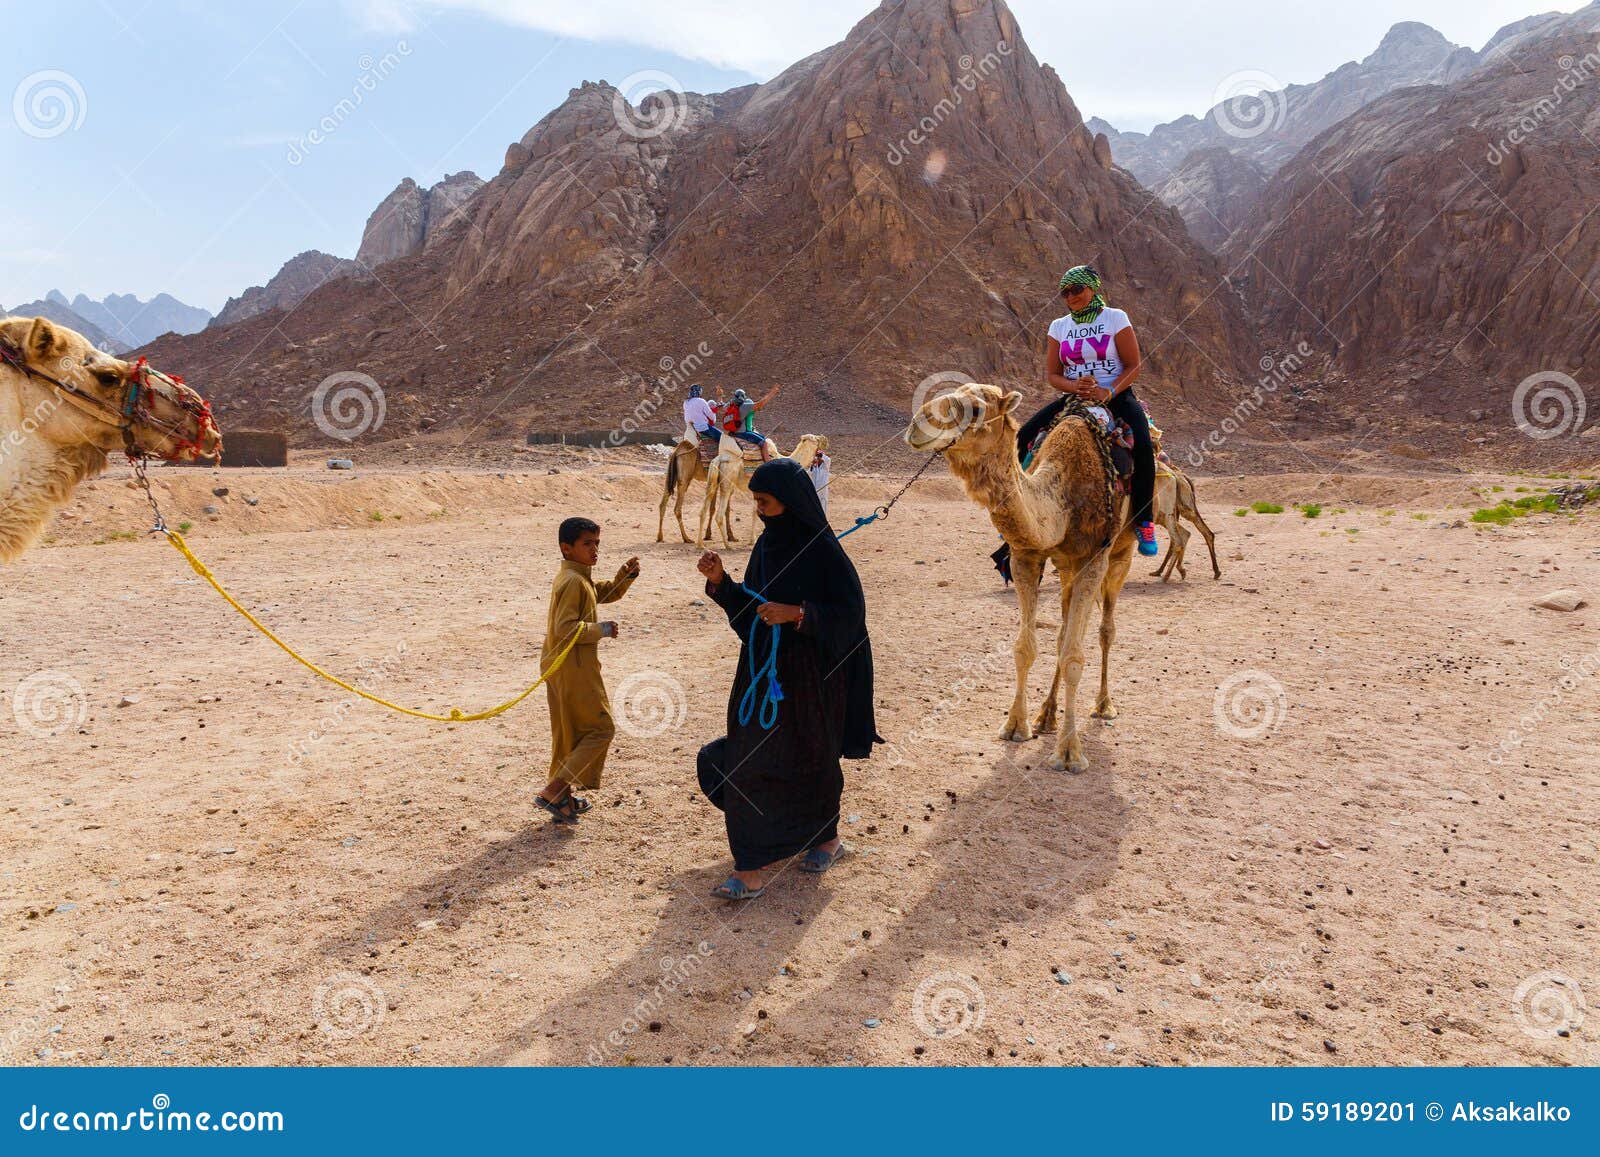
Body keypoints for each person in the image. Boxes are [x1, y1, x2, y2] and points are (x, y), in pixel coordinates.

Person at [695, 459, 880, 900]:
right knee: (748, 761)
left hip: (814, 681)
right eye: (755, 501)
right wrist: (721, 583)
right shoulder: (766, 547)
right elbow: (753, 614)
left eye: (764, 502)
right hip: (762, 678)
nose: (758, 510)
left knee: (812, 759)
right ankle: (751, 866)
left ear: (790, 502)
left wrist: (798, 615)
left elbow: (850, 616)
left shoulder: (824, 551)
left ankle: (826, 839)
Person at [1020, 264, 1157, 556]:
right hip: (1076, 397)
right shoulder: (1059, 326)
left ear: (1093, 288)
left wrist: (1108, 390)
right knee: (1024, 436)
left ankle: (1144, 520)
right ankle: (1020, 508)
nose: (1071, 296)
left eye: (1077, 289)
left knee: (1143, 446)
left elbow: (1134, 365)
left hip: (1115, 394)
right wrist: (1075, 387)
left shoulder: (1115, 318)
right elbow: (1053, 375)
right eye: (1065, 292)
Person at [536, 516, 640, 824]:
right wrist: (603, 629)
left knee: (568, 734)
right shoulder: (572, 582)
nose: (594, 550)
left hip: (561, 665)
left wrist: (624, 577)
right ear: (567, 549)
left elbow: (598, 593)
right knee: (600, 729)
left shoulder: (577, 578)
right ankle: (554, 790)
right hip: (571, 667)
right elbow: (565, 627)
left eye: (597, 543)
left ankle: (563, 798)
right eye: (587, 544)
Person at [721, 384, 781, 457]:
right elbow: (759, 404)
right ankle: (768, 464)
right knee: (764, 443)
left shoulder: (730, 405)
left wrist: (720, 396)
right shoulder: (744, 406)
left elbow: (722, 408)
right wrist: (772, 393)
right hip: (741, 433)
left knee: (761, 437)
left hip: (732, 432)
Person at [807, 446, 831, 515]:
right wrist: (812, 465)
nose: (818, 459)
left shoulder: (826, 466)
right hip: (815, 490)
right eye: (817, 457)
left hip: (823, 490)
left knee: (823, 505)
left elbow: (827, 459)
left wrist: (818, 453)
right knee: (814, 506)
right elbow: (808, 473)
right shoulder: (814, 467)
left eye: (819, 457)